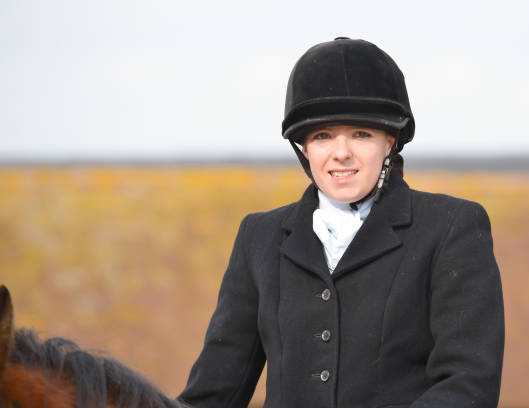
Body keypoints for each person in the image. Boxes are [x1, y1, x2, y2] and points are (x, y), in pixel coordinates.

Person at [178, 37, 504, 408]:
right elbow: (213, 392)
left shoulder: (452, 227)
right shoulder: (260, 237)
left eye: (361, 134)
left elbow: (468, 385)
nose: (341, 153)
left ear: (390, 141)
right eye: (323, 136)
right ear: (304, 148)